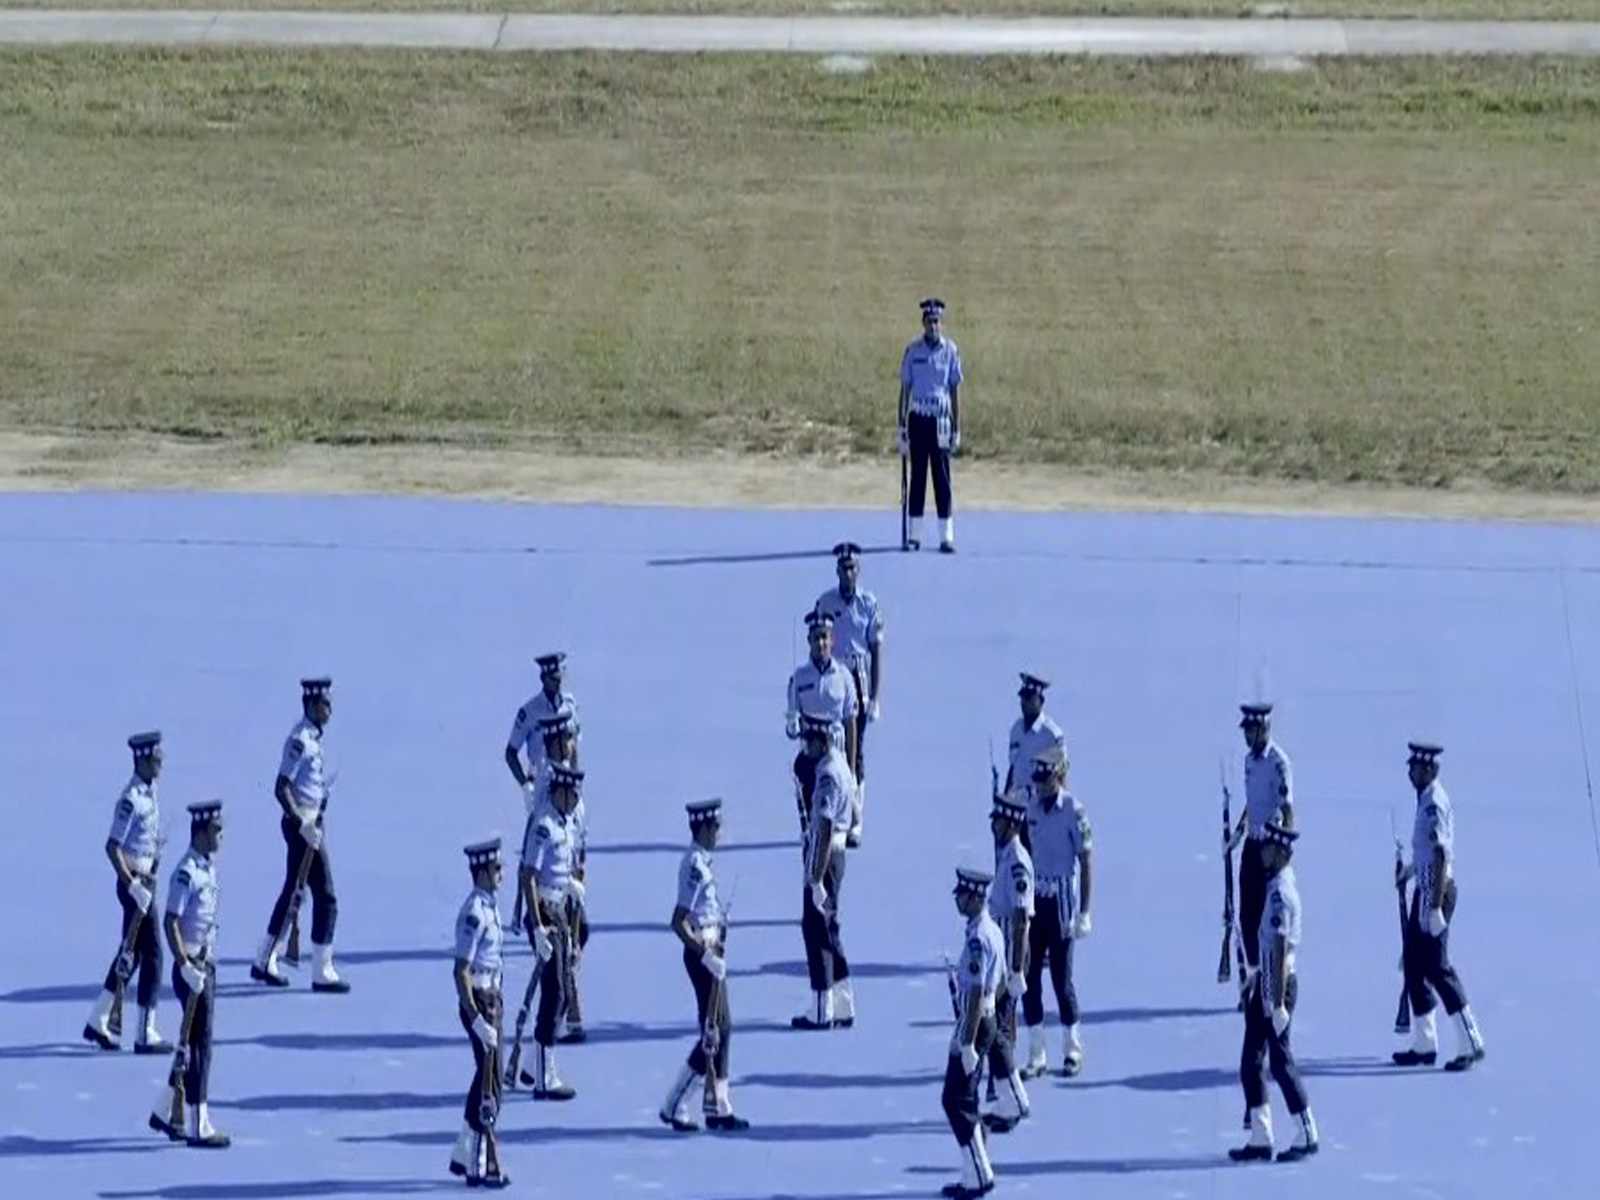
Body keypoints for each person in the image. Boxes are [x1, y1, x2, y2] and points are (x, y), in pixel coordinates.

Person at [1392, 743, 1486, 1072]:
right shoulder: (1424, 800)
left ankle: (1470, 1039)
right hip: (1425, 887)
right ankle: (1424, 1042)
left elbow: (1442, 856)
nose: (1410, 773)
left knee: (1438, 967)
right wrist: (1411, 871)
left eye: (1415, 768)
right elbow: (1427, 854)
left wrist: (1435, 908)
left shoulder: (1433, 804)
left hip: (1437, 893)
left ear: (1429, 769)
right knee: (1415, 965)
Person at [252, 677, 349, 993]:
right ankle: (321, 969)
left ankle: (266, 957)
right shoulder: (300, 741)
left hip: (310, 824)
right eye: (325, 704)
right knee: (326, 897)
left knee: (295, 890)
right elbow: (281, 787)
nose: (330, 709)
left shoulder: (314, 738)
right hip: (301, 828)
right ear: (311, 705)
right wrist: (302, 822)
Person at [1230, 820, 1319, 1163]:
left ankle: (1306, 1130)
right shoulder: (1274, 885)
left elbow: (1279, 949)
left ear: (1281, 852)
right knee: (1250, 1061)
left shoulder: (1281, 894)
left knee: (1281, 1062)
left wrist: (1276, 1001)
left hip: (1277, 986)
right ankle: (1260, 1135)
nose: (1263, 853)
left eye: (1269, 848)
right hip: (1265, 982)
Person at [660, 799, 750, 1133]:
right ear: (703, 828)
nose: (720, 832)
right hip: (703, 957)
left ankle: (715, 1101)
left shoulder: (703, 863)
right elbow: (679, 920)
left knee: (719, 1028)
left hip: (712, 950)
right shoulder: (695, 867)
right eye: (716, 827)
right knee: (715, 1030)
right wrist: (704, 952)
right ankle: (679, 1101)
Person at [149, 800, 228, 1149]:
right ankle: (199, 1123)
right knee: (200, 1046)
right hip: (192, 968)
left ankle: (168, 1111)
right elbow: (170, 921)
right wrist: (183, 963)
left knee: (191, 1045)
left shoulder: (207, 867)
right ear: (199, 833)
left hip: (204, 964)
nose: (221, 836)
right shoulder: (187, 873)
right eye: (216, 831)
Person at [84, 730, 169, 1054]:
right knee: (155, 955)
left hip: (145, 880)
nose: (160, 763)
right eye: (156, 759)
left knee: (129, 956)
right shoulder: (131, 799)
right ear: (142, 760)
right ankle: (145, 1030)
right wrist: (132, 884)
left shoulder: (150, 791)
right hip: (134, 884)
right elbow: (112, 846)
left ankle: (99, 1018)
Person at [1020, 750, 1093, 1079]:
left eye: (1044, 780)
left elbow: (1086, 860)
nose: (1040, 787)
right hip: (1035, 901)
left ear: (1057, 778)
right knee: (1029, 977)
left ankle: (1072, 1048)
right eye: (1037, 781)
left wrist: (1084, 911)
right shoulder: (1031, 809)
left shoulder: (1073, 811)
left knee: (1061, 980)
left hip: (1062, 900)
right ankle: (1037, 1052)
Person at [517, 763, 584, 1099]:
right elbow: (529, 875)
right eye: (571, 794)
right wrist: (538, 926)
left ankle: (532, 1064)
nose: (574, 801)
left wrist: (569, 885)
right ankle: (545, 1076)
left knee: (564, 989)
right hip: (543, 909)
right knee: (555, 990)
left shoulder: (566, 823)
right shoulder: (544, 826)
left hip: (558, 907)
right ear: (558, 791)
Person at [813, 542, 885, 845]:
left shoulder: (869, 604)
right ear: (837, 571)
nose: (848, 572)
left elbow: (876, 650)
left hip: (857, 678)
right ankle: (828, 814)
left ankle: (855, 818)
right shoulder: (825, 602)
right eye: (844, 567)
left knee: (855, 750)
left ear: (859, 570)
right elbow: (816, 642)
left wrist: (876, 697)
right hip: (831, 680)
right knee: (828, 749)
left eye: (853, 567)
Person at [450, 836, 510, 1189]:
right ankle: (478, 1162)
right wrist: (475, 1018)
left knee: (489, 1078)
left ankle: (466, 1152)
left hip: (493, 998)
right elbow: (461, 970)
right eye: (497, 868)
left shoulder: (490, 906)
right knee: (490, 1084)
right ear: (483, 871)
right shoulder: (474, 913)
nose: (502, 872)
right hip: (479, 1001)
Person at [940, 866, 1003, 1198]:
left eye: (962, 896)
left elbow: (976, 994)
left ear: (975, 898)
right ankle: (974, 1169)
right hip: (984, 1019)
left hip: (974, 1024)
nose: (958, 901)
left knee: (955, 1099)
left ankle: (979, 1172)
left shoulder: (978, 941)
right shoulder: (990, 931)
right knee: (965, 1097)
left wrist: (967, 1042)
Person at [1225, 702, 1294, 1006]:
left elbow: (1287, 808)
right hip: (1252, 847)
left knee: (1270, 920)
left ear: (1264, 729)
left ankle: (1273, 979)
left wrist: (1284, 850)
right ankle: (1253, 979)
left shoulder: (1279, 763)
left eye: (1251, 731)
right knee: (1246, 916)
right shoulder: (1249, 762)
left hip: (1271, 849)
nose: (1246, 737)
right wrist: (1239, 832)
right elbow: (1252, 804)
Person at [792, 713, 855, 1031]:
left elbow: (826, 827)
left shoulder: (828, 774)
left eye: (808, 741)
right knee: (830, 928)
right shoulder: (840, 764)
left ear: (822, 741)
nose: (804, 747)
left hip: (825, 857)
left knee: (814, 929)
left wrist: (815, 878)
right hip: (835, 855)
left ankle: (821, 1008)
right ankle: (843, 1002)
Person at [981, 792, 1032, 1133]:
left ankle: (1012, 1096)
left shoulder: (1016, 863)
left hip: (1006, 958)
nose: (993, 825)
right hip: (1000, 955)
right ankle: (1005, 1092)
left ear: (1011, 823)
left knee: (997, 1028)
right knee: (997, 1027)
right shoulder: (1006, 855)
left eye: (998, 820)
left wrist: (1015, 969)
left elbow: (1020, 919)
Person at [898, 296, 963, 553]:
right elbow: (905, 391)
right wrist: (901, 428)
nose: (933, 326)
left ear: (941, 323)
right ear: (923, 323)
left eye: (937, 322)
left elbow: (955, 391)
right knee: (918, 479)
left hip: (941, 421)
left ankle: (946, 536)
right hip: (918, 419)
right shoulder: (913, 352)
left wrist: (957, 427)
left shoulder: (950, 351)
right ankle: (914, 536)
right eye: (929, 322)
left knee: (942, 479)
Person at [1004, 675, 1064, 797]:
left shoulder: (1051, 734)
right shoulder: (1016, 729)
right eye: (1023, 699)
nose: (1025, 703)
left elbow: (1062, 773)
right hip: (1017, 800)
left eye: (1030, 699)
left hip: (1039, 799)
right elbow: (1013, 767)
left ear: (1041, 701)